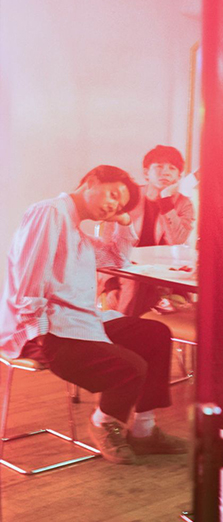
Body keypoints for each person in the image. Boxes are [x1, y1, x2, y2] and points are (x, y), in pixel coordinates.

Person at [0, 165, 187, 464]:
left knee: (155, 334)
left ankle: (144, 431)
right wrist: (39, 334)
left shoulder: (76, 232)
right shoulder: (50, 213)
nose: (113, 205)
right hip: (41, 330)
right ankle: (104, 422)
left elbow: (117, 258)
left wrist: (124, 221)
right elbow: (29, 280)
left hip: (77, 321)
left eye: (120, 204)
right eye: (112, 194)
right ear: (91, 181)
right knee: (131, 367)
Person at [100, 145, 195, 315]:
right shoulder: (129, 197)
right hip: (126, 275)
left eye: (172, 168)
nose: (165, 172)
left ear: (179, 177)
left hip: (165, 278)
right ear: (146, 172)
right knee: (133, 295)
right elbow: (107, 243)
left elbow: (177, 240)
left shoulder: (184, 204)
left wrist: (165, 201)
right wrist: (110, 285)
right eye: (159, 166)